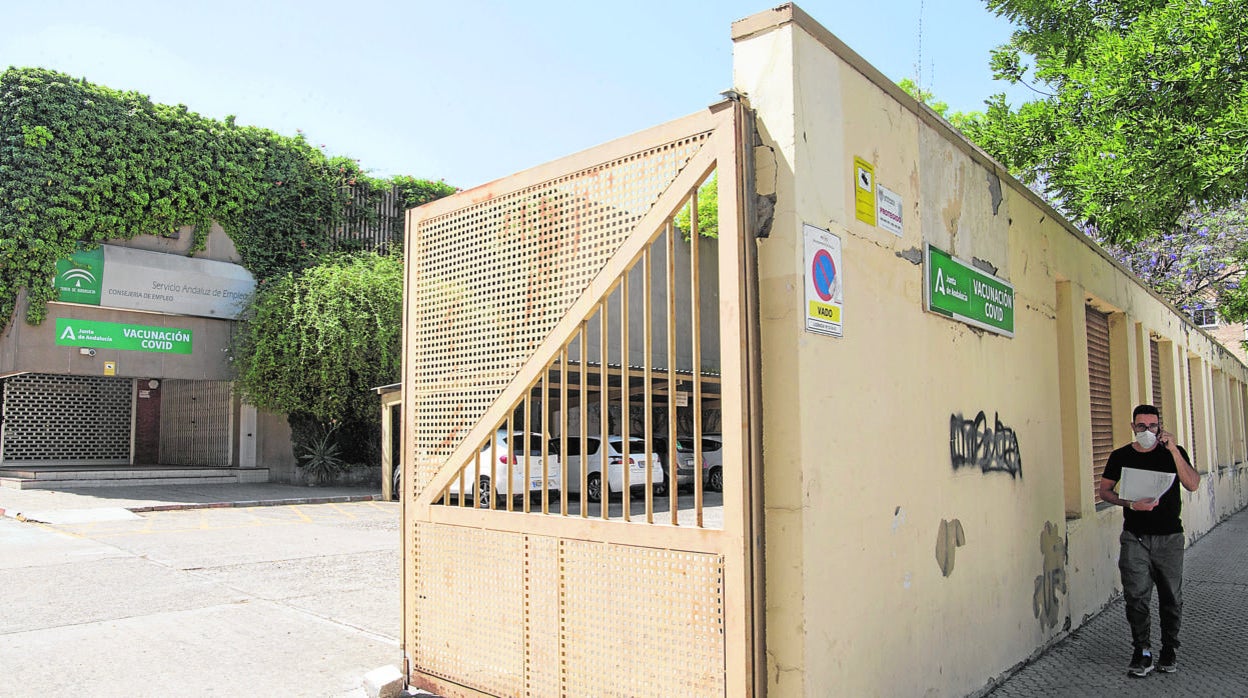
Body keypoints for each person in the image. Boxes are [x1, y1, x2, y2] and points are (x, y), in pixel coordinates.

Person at [1098, 404, 1200, 677]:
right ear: (1133, 427)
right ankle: (1142, 650)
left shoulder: (1173, 454)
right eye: (1141, 426)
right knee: (1136, 596)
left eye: (1152, 426)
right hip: (1136, 537)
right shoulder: (1120, 455)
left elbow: (1192, 484)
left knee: (1171, 597)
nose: (1147, 431)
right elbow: (1105, 490)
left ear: (1160, 427)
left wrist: (1175, 450)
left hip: (1169, 538)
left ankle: (1169, 648)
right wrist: (1129, 503)